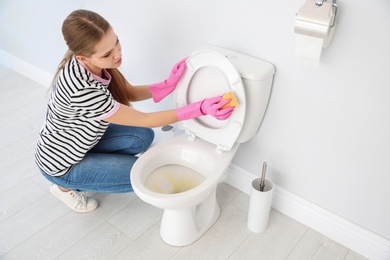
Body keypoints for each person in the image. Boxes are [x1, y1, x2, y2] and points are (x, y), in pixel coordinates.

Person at [34, 9, 235, 213]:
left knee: (141, 138)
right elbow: (146, 119)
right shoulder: (81, 89)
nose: (118, 54)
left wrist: (167, 84)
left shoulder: (93, 62)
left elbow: (126, 91)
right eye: (107, 54)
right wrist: (199, 108)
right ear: (83, 57)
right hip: (62, 163)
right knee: (141, 175)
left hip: (81, 140)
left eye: (116, 42)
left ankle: (92, 168)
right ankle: (65, 187)